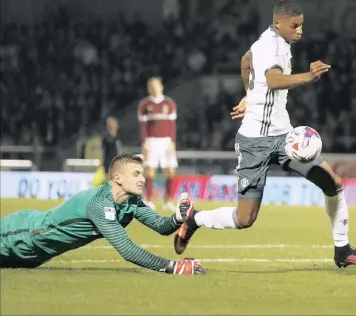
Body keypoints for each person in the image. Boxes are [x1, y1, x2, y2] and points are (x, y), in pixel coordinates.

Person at [174, 0, 356, 270]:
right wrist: (308, 76)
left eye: (302, 25)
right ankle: (194, 219)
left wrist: (250, 95)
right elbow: (272, 79)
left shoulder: (276, 42)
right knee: (245, 219)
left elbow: (245, 62)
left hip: (285, 138)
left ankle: (342, 250)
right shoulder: (268, 45)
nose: (300, 31)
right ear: (278, 24)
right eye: (294, 26)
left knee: (333, 182)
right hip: (254, 143)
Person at [0, 153, 205, 275]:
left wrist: (178, 217)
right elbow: (127, 250)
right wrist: (174, 267)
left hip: (33, 256)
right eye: (136, 174)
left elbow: (161, 226)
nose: (143, 179)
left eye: (142, 174)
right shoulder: (99, 203)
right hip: (17, 235)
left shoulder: (130, 201)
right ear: (117, 178)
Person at [138, 77, 178, 212]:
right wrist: (144, 143)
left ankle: (168, 201)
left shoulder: (169, 103)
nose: (154, 88)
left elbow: (172, 125)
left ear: (161, 86)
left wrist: (172, 142)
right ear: (149, 88)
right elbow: (143, 126)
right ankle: (148, 200)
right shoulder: (145, 105)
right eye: (152, 86)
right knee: (149, 170)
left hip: (166, 141)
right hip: (151, 141)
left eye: (157, 85)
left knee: (170, 171)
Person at [92, 116, 121, 187]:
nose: (110, 126)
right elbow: (102, 151)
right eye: (109, 125)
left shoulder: (119, 137)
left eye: (112, 124)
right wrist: (101, 161)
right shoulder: (106, 139)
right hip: (109, 165)